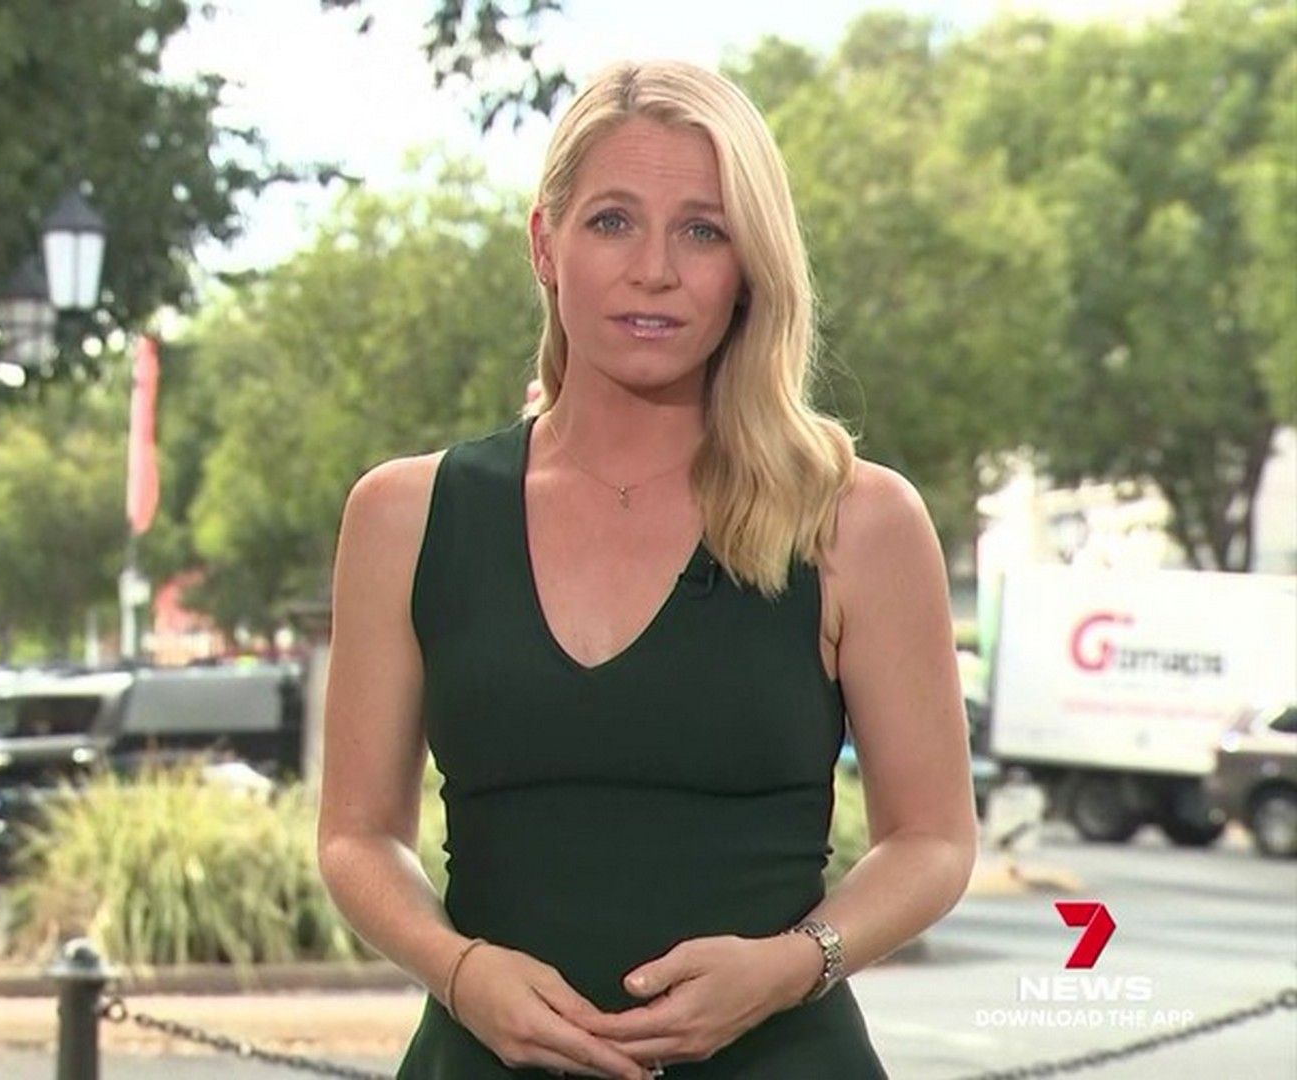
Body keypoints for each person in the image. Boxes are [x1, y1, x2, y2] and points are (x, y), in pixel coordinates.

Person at [317, 59, 977, 1078]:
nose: (655, 270)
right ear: (545, 244)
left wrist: (792, 966)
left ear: (750, 264)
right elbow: (357, 837)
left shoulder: (853, 519)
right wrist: (460, 971)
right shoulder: (405, 517)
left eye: (703, 231)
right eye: (613, 221)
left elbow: (932, 839)